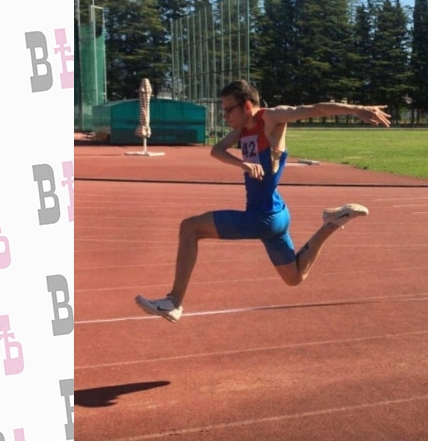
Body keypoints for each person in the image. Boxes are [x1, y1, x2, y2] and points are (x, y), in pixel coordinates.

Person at [135, 80, 392, 322]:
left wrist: (357, 109)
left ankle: (174, 302)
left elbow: (314, 109)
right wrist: (243, 164)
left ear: (247, 105)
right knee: (294, 277)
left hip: (262, 218)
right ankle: (331, 223)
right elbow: (216, 150)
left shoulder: (271, 118)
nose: (225, 116)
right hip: (276, 213)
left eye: (229, 110)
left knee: (190, 228)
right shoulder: (242, 130)